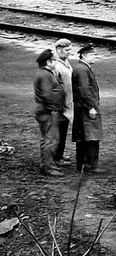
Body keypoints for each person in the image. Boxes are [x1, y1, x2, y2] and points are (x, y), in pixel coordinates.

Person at [71, 44, 102, 173]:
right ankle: (90, 165)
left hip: (82, 107)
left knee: (83, 136)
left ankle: (82, 164)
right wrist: (91, 107)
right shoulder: (83, 70)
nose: (95, 56)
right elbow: (84, 91)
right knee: (91, 137)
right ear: (84, 55)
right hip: (86, 108)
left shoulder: (81, 68)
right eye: (92, 54)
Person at [33, 49, 65, 177]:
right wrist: (54, 108)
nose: (56, 63)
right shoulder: (45, 75)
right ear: (48, 62)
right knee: (51, 140)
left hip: (45, 110)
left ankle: (46, 163)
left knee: (47, 138)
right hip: (48, 111)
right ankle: (48, 167)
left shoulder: (44, 73)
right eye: (55, 61)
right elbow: (47, 94)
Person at [50, 40, 74, 168]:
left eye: (70, 50)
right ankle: (56, 157)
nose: (70, 53)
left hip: (67, 103)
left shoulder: (65, 61)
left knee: (63, 130)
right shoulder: (55, 64)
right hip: (59, 105)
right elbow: (52, 86)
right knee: (58, 131)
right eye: (67, 50)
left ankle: (59, 154)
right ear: (59, 49)